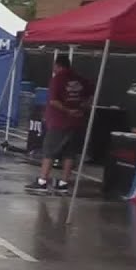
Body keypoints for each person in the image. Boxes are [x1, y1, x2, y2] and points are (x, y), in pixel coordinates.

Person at [26, 57, 93, 194]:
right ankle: (63, 183)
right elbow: (92, 93)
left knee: (49, 151)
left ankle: (43, 181)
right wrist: (82, 107)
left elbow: (53, 101)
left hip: (59, 122)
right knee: (69, 153)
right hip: (76, 122)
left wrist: (68, 111)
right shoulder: (80, 79)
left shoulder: (57, 79)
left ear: (57, 65)